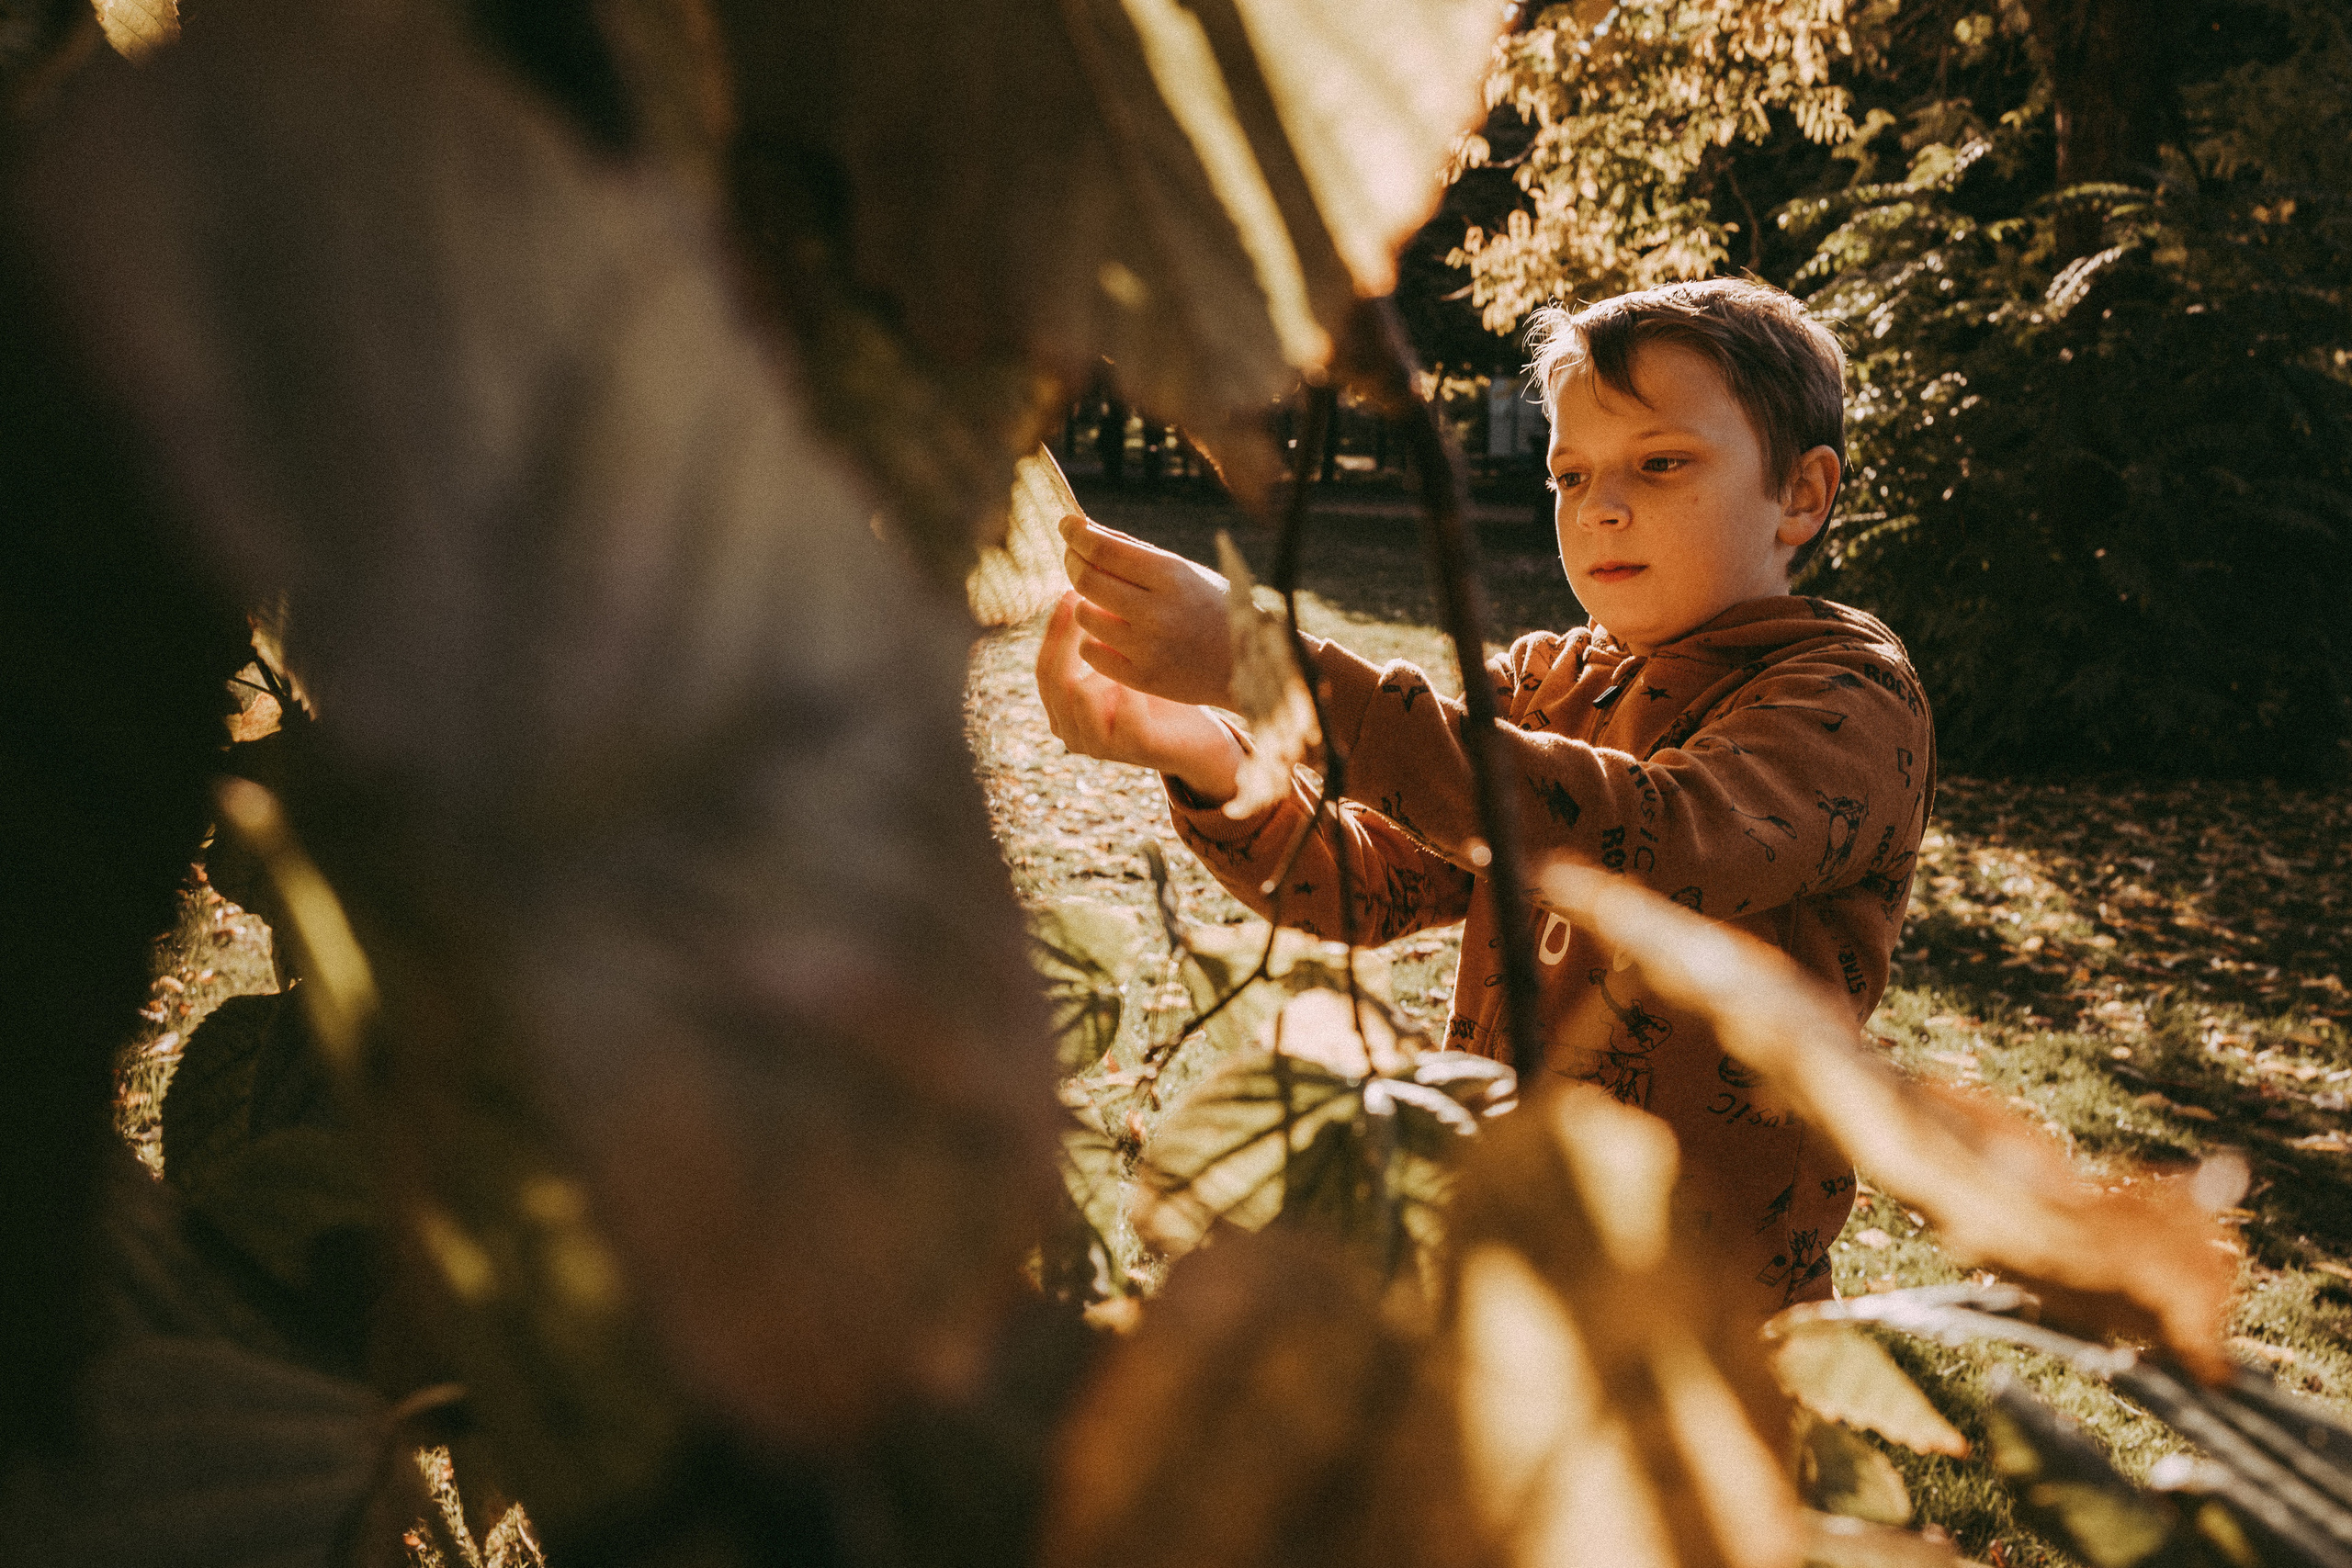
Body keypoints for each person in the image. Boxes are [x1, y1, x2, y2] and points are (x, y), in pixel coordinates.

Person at [1035, 278, 1934, 1315]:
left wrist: (1275, 669)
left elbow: (1653, 841)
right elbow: (1363, 883)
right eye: (1569, 473)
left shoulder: (1847, 693)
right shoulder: (1548, 680)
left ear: (1802, 496)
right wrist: (1197, 747)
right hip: (1510, 1270)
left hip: (1713, 1312)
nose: (1602, 502)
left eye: (1660, 463)